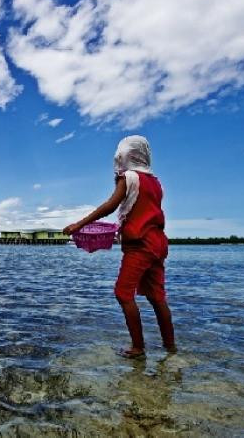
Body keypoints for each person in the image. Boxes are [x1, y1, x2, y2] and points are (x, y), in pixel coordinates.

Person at [63, 135, 176, 358]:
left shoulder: (129, 177)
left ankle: (138, 348)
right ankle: (170, 346)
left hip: (139, 244)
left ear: (126, 156)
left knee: (123, 293)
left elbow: (110, 206)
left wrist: (79, 224)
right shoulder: (155, 182)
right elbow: (141, 208)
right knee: (157, 297)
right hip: (158, 244)